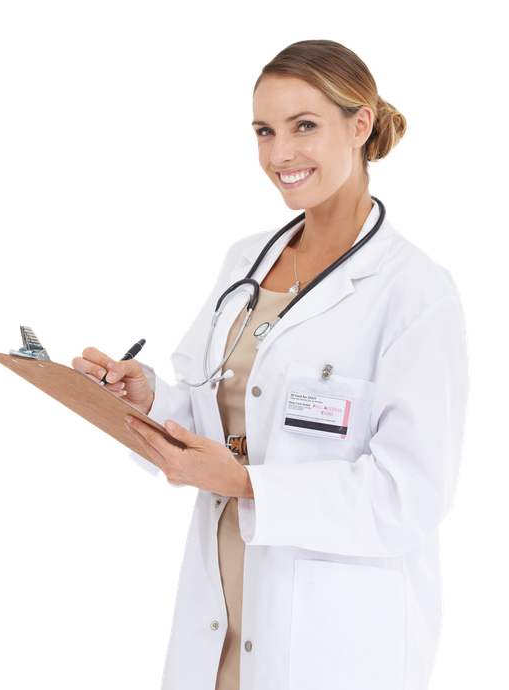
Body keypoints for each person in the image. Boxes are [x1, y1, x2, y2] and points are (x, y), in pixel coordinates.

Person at [72, 39, 470, 690]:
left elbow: (412, 497)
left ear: (360, 124)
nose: (279, 154)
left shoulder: (417, 292)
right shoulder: (245, 260)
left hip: (333, 644)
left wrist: (250, 485)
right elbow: (214, 413)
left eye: (304, 126)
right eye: (264, 131)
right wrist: (149, 400)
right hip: (222, 617)